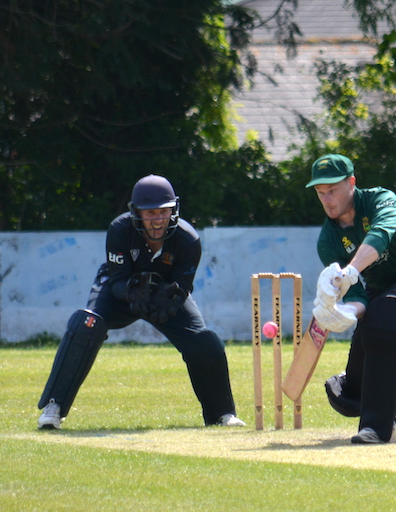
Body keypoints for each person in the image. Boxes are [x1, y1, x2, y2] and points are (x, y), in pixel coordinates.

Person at [36, 175, 245, 429]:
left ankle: (222, 415)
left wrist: (172, 298)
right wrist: (129, 291)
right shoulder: (119, 230)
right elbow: (116, 279)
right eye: (150, 213)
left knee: (204, 341)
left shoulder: (188, 240)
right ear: (136, 213)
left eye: (163, 212)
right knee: (87, 324)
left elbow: (183, 285)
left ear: (173, 211)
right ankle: (54, 407)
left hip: (163, 296)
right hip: (122, 290)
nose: (157, 219)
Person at [304, 154, 396, 444]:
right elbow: (358, 295)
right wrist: (343, 312)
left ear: (351, 183)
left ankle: (378, 429)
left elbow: (381, 234)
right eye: (321, 193)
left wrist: (351, 270)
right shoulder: (327, 241)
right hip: (379, 295)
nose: (327, 199)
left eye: (332, 190)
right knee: (346, 394)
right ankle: (394, 398)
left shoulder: (381, 200)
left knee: (389, 311)